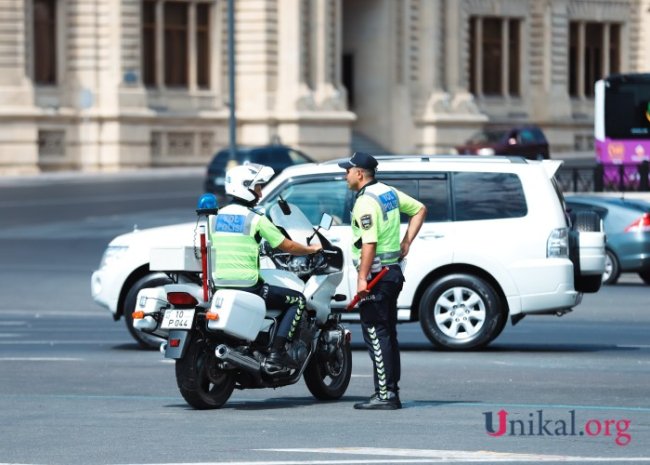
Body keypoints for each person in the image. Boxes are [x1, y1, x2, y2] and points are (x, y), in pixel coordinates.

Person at [211, 163, 322, 372]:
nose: (260, 192)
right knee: (297, 300)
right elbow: (286, 245)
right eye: (258, 187)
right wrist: (311, 249)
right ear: (245, 187)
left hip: (219, 285)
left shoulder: (215, 216)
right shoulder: (255, 219)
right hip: (248, 286)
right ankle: (276, 354)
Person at [339, 152, 426, 410]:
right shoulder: (387, 192)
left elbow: (369, 242)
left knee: (376, 333)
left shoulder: (366, 202)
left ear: (359, 173)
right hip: (392, 272)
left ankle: (386, 394)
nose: (345, 175)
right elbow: (420, 209)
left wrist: (362, 278)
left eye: (348, 171)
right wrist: (406, 242)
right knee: (387, 333)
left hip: (377, 275)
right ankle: (390, 391)